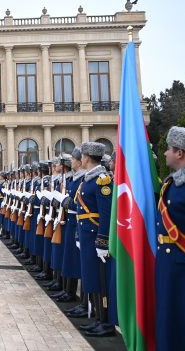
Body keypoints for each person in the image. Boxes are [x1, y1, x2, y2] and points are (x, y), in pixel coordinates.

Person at [156, 126, 185, 351]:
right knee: (168, 317)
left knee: (183, 319)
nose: (165, 153)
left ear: (180, 153)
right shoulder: (171, 183)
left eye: (169, 149)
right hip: (168, 264)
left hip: (184, 264)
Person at [76, 141, 115, 337]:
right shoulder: (89, 179)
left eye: (82, 155)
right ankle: (98, 318)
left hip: (95, 237)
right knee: (91, 277)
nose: (80, 158)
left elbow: (106, 213)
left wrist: (103, 240)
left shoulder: (102, 180)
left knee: (101, 280)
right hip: (86, 235)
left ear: (88, 157)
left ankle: (106, 322)